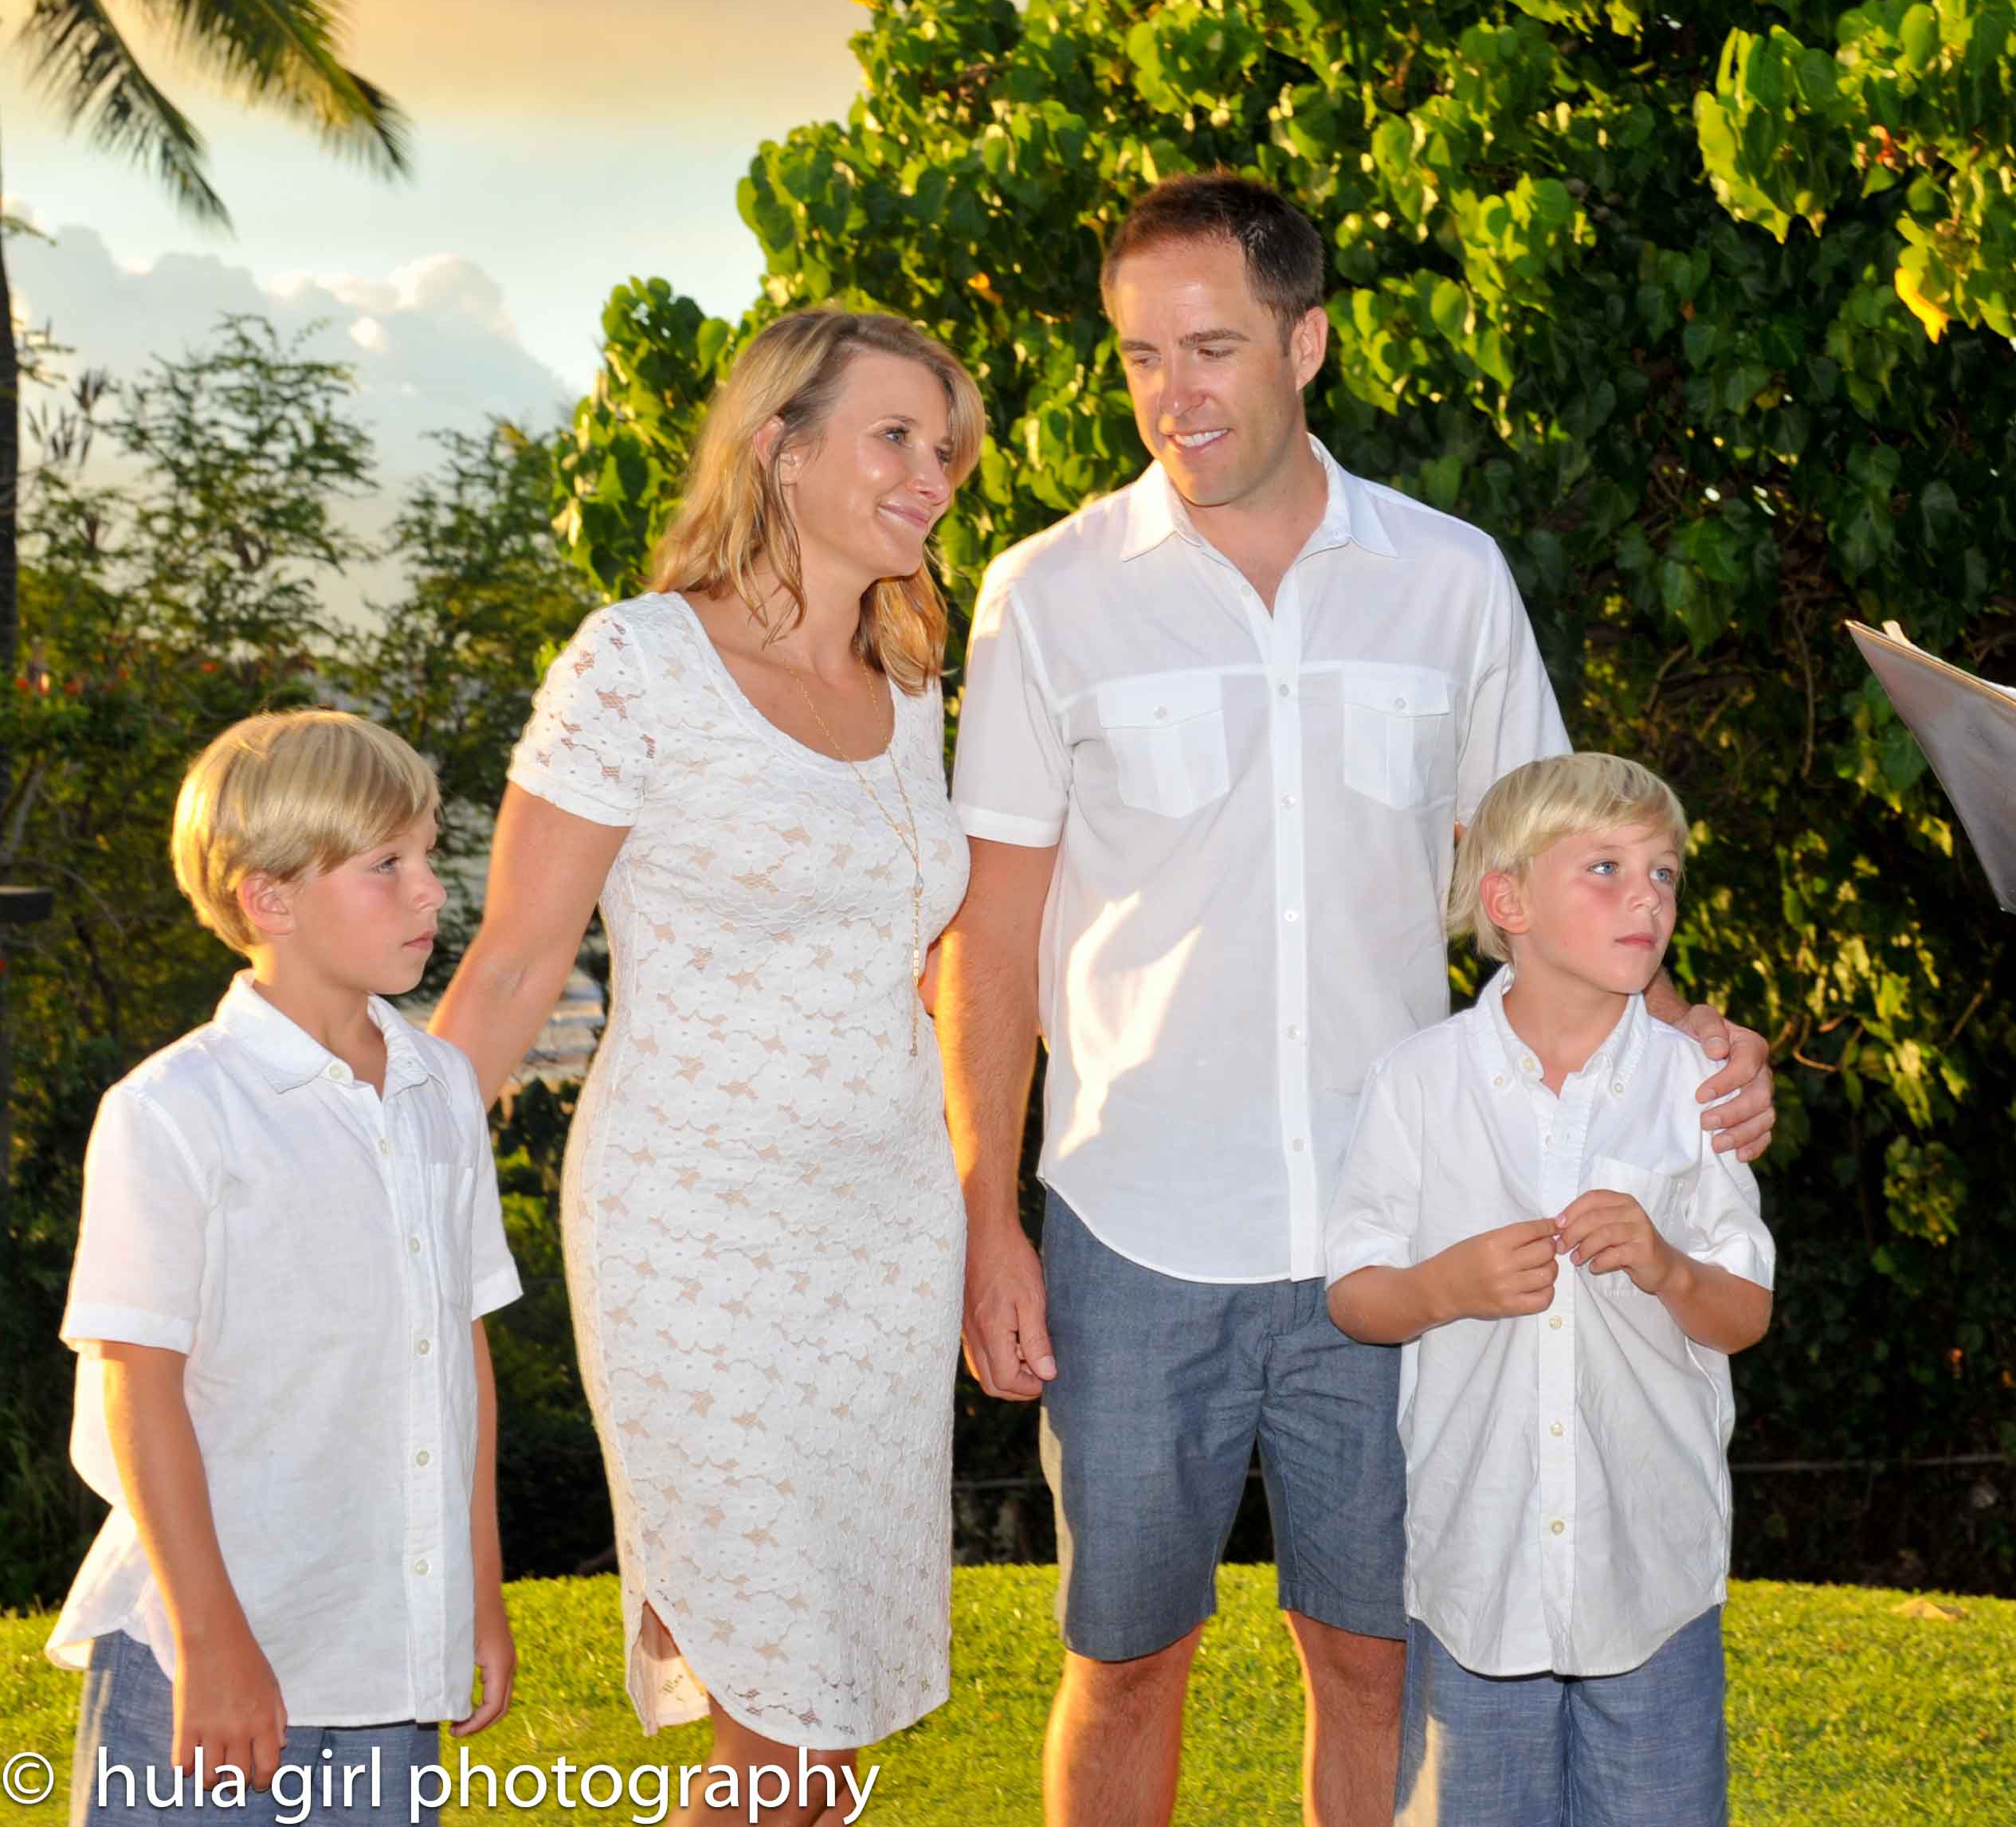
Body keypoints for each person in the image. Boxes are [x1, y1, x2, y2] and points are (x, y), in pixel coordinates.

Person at [941, 171, 1779, 1827]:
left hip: (1399, 1227)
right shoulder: (1045, 595)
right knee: (1121, 1660)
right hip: (1129, 1224)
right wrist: (983, 1213)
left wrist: (1688, 1036)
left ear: (1306, 342)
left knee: (1375, 1652)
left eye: (1212, 348)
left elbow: (1556, 867)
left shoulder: (1448, 580)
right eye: (1137, 358)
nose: (1173, 396)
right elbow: (990, 932)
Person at [433, 309, 982, 1827]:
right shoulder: (636, 663)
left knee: (821, 1756)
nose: (932, 473)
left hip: (881, 1240)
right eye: (894, 436)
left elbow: (937, 963)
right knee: (773, 1718)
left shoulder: (912, 679)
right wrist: (367, 1164)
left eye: (946, 449)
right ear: (779, 446)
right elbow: (515, 965)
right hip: (696, 1233)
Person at [49, 711, 520, 1825]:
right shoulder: (171, 1114)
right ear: (270, 897)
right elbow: (138, 1385)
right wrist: (213, 1640)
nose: (430, 892)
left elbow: (461, 1347)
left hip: (386, 1664)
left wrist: (476, 1590)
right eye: (387, 864)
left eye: (428, 854)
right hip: (201, 1660)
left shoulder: (442, 1089)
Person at [1326, 753, 1773, 1827]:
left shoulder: (1697, 1087)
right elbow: (1354, 1292)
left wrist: (1667, 1266)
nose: (1647, 898)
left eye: (1664, 873)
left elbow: (1745, 1312)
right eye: (1608, 867)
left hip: (1651, 1566)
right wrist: (1443, 1284)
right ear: (1509, 900)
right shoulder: (1418, 1082)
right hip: (1477, 1565)